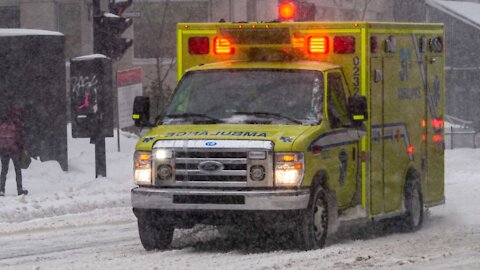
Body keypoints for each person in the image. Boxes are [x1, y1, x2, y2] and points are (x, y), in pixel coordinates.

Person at [0, 106, 28, 196]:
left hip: (3, 150)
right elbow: (19, 138)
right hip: (14, 150)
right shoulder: (16, 124)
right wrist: (22, 148)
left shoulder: (2, 124)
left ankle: (1, 190)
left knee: (4, 170)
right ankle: (19, 190)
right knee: (18, 170)